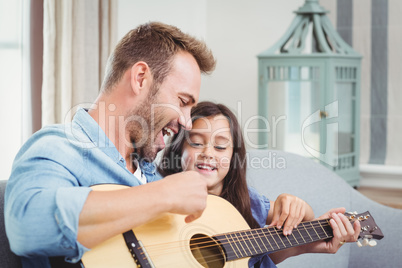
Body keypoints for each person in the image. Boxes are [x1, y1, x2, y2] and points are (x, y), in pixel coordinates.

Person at [5, 22, 217, 267]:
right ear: (140, 78)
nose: (188, 122)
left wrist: (267, 217)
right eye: (182, 101)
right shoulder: (58, 146)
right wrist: (164, 194)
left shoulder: (151, 171)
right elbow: (28, 225)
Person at [158, 101, 361, 267]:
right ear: (178, 149)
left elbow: (302, 222)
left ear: (234, 157)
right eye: (196, 142)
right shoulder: (160, 194)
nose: (208, 153)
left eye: (220, 146)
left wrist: (298, 206)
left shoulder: (248, 202)